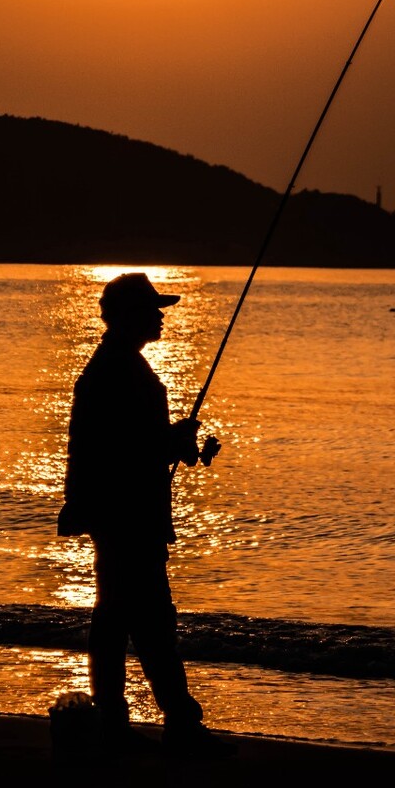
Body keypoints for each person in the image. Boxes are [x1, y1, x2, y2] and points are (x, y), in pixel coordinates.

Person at [56, 272, 235, 759]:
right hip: (127, 516)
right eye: (153, 308)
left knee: (117, 619)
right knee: (150, 620)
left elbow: (126, 444)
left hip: (121, 513)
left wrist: (174, 439)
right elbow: (127, 452)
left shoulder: (116, 366)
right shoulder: (119, 371)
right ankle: (175, 723)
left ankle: (120, 724)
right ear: (130, 315)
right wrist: (172, 441)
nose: (160, 316)